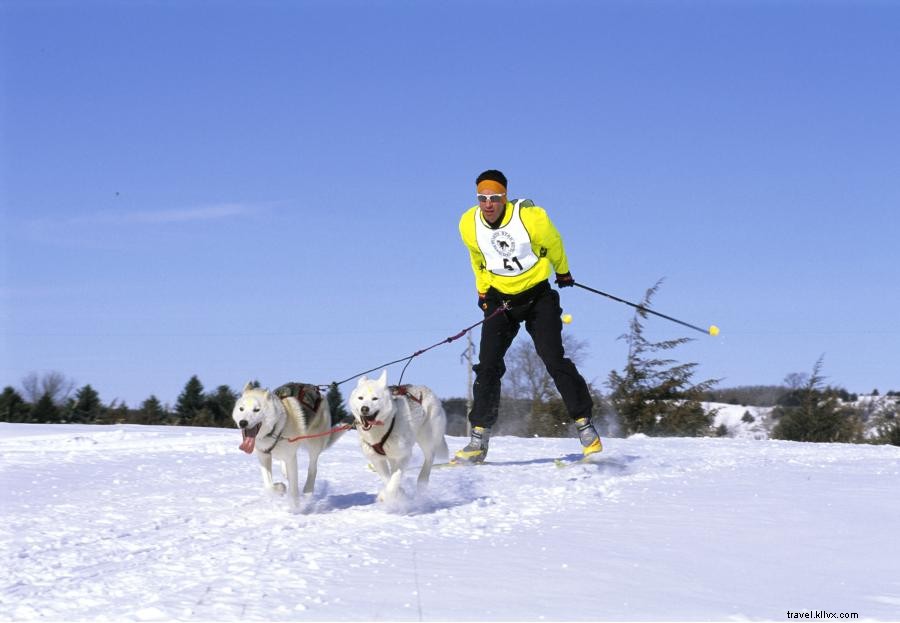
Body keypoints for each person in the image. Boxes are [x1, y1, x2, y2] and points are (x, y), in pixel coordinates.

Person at [454, 169, 602, 464]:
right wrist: (483, 292)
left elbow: (555, 242)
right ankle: (478, 439)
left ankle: (584, 424)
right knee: (487, 367)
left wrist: (562, 270)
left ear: (505, 197)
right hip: (500, 300)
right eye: (482, 198)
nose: (488, 204)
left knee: (553, 358)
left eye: (494, 198)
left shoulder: (531, 218)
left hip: (537, 296)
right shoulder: (468, 223)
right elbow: (478, 258)